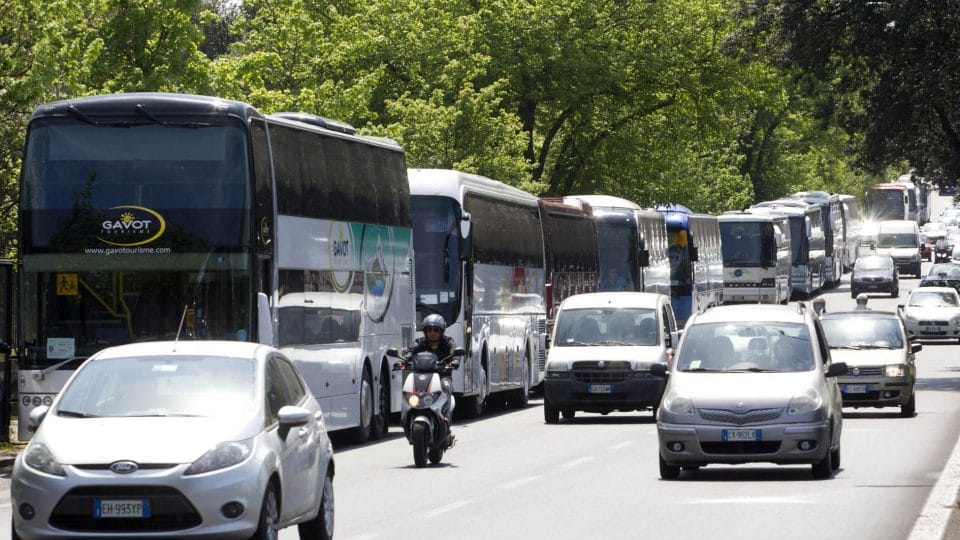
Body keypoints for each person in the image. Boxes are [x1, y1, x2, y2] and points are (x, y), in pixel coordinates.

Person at [408, 314, 457, 441]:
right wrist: (403, 360)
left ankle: (446, 419)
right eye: (429, 330)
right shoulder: (419, 343)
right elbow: (410, 352)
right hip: (423, 376)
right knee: (409, 387)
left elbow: (455, 353)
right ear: (425, 331)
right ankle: (407, 415)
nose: (432, 333)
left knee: (446, 387)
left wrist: (455, 360)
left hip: (442, 377)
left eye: (436, 330)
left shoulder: (448, 342)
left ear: (441, 331)